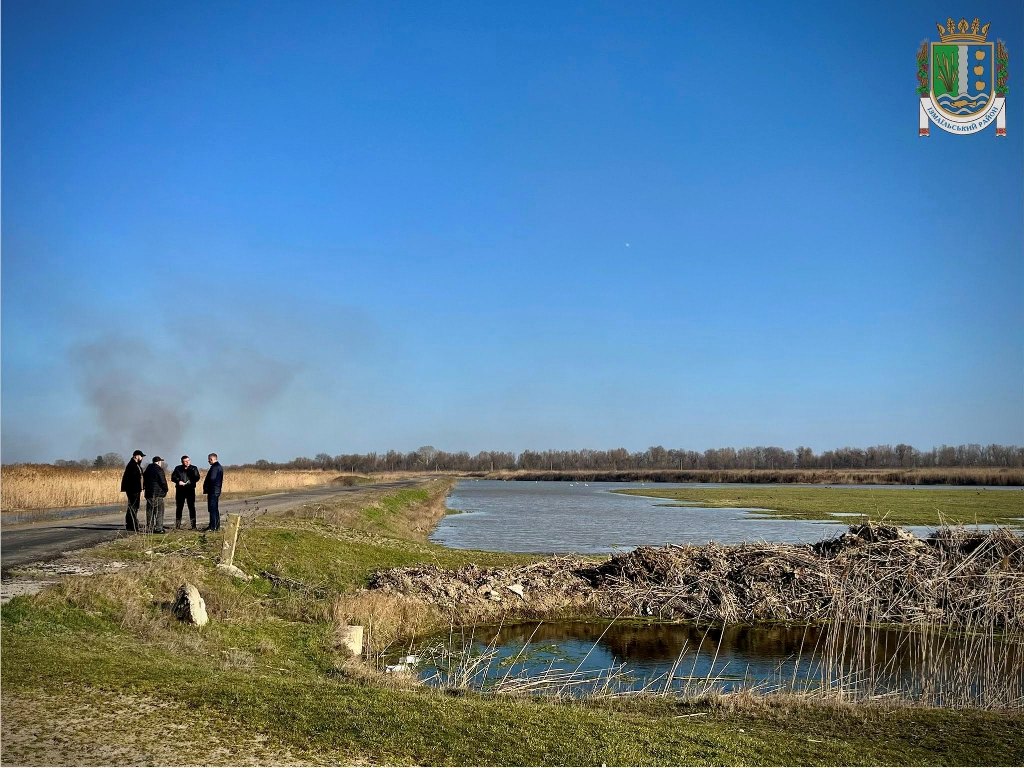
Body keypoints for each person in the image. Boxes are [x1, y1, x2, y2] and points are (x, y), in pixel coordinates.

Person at [171, 455, 202, 529]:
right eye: (185, 461)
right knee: (179, 508)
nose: (187, 462)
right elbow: (173, 477)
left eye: (188, 460)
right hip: (180, 490)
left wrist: (191, 481)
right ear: (182, 462)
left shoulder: (194, 468)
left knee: (191, 507)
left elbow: (197, 477)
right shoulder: (178, 468)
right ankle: (177, 526)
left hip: (190, 490)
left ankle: (193, 526)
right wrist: (178, 481)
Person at [120, 450, 145, 532]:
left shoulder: (136, 465)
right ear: (137, 456)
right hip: (133, 489)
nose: (142, 458)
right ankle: (132, 524)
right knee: (133, 506)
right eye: (141, 456)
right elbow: (132, 479)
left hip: (136, 489)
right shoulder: (132, 465)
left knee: (134, 506)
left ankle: (131, 523)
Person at [143, 456, 169, 533]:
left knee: (150, 512)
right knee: (159, 512)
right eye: (161, 462)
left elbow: (144, 481)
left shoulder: (147, 470)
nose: (161, 463)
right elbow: (163, 482)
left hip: (148, 494)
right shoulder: (159, 470)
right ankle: (158, 528)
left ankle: (150, 528)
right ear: (158, 462)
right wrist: (166, 490)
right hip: (158, 494)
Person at [202, 453, 223, 531]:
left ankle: (212, 527)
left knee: (212, 509)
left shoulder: (215, 467)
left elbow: (212, 479)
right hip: (216, 490)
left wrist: (207, 487)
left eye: (209, 459)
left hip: (213, 490)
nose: (208, 461)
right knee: (215, 509)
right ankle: (216, 526)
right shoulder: (219, 466)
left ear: (211, 459)